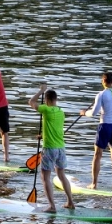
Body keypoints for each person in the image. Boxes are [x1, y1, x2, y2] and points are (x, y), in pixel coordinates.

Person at [80, 69, 112, 191]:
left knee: (97, 155)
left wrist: (84, 113)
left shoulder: (101, 95)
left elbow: (94, 113)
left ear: (103, 81)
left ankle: (94, 184)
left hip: (105, 127)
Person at [28, 84, 75, 213]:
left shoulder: (46, 110)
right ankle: (70, 202)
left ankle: (52, 206)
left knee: (45, 177)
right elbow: (54, 128)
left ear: (47, 100)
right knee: (61, 175)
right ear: (56, 99)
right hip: (61, 148)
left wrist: (40, 91)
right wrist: (43, 135)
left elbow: (31, 102)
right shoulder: (61, 112)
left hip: (49, 149)